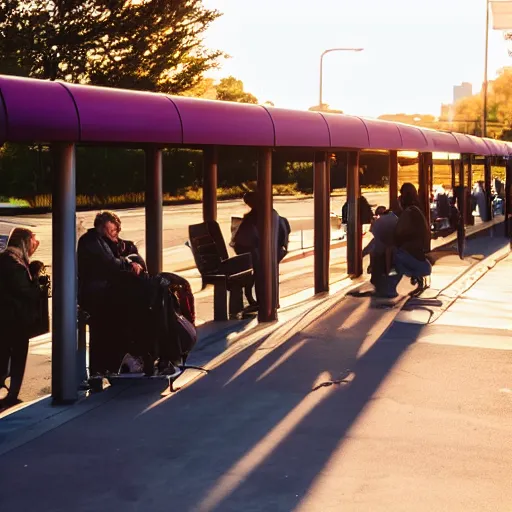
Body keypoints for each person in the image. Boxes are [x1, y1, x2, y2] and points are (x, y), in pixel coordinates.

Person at [77, 212, 179, 377]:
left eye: (116, 229)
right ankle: (143, 355)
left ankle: (147, 355)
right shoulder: (92, 240)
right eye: (112, 228)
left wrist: (130, 257)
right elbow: (110, 263)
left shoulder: (103, 241)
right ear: (102, 226)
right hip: (98, 295)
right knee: (143, 302)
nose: (115, 232)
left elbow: (122, 254)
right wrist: (129, 263)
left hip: (106, 292)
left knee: (147, 300)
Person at [0, 228, 44, 408]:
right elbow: (27, 292)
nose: (34, 247)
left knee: (7, 358)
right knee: (14, 358)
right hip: (14, 320)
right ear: (24, 242)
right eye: (32, 242)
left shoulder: (9, 260)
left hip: (10, 318)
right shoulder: (14, 264)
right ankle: (11, 395)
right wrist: (36, 277)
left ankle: (11, 393)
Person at [233, 192, 290, 306]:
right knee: (262, 269)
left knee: (259, 269)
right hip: (268, 252)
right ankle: (269, 300)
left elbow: (240, 242)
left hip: (258, 254)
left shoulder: (254, 218)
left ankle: (263, 300)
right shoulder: (273, 215)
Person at [393, 183, 432, 289]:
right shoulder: (417, 210)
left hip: (411, 255)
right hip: (420, 256)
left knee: (393, 255)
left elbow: (398, 233)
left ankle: (407, 280)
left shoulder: (409, 212)